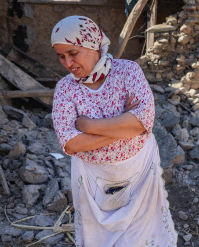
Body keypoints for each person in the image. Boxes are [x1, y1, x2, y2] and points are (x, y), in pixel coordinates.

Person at [51, 16, 177, 246]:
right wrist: (124, 125)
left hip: (139, 171)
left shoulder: (127, 71)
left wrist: (90, 125)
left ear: (93, 46)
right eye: (61, 56)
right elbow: (70, 144)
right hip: (93, 179)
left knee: (141, 234)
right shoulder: (65, 89)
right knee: (98, 237)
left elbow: (144, 120)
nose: (68, 63)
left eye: (73, 53)